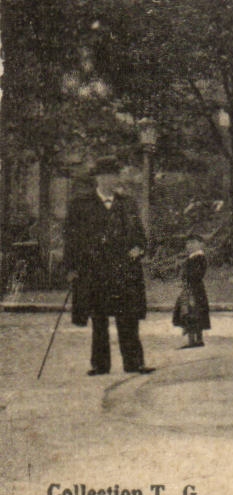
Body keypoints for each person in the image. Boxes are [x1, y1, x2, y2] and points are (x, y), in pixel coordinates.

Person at [65, 158, 152, 375]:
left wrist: (139, 249)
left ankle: (134, 363)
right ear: (97, 178)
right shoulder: (81, 205)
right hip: (95, 271)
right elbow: (71, 239)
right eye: (105, 176)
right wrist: (71, 268)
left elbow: (140, 237)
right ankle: (100, 365)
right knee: (99, 319)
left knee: (129, 318)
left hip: (124, 271)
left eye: (113, 176)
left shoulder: (127, 204)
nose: (109, 180)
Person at [170, 237, 210, 349]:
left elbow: (197, 274)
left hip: (194, 288)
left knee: (193, 312)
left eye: (193, 243)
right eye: (188, 243)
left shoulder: (200, 257)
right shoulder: (190, 258)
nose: (190, 245)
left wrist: (186, 274)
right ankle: (194, 339)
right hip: (190, 288)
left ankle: (196, 339)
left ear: (200, 244)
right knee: (188, 312)